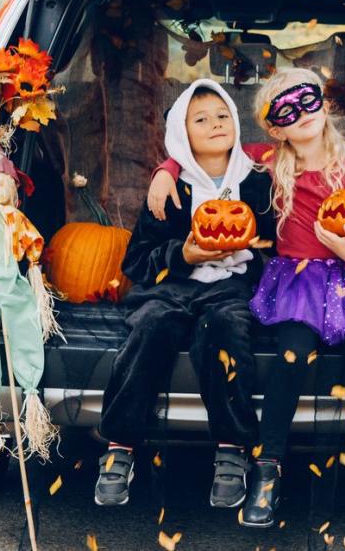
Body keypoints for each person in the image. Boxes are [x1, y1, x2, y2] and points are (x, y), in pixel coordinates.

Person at [146, 68, 345, 538]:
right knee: (292, 357)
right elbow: (213, 153)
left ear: (323, 106)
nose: (301, 115)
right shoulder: (267, 162)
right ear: (274, 127)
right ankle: (267, 470)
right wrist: (167, 170)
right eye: (285, 110)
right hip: (298, 284)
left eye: (307, 101)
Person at [94, 79, 275, 509]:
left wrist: (252, 257)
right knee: (149, 325)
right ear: (181, 133)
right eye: (201, 119)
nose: (215, 124)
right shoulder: (172, 188)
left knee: (226, 331)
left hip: (232, 289)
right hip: (173, 286)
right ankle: (120, 445)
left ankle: (232, 449)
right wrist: (184, 253)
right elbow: (137, 261)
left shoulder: (260, 183)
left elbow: (280, 249)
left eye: (222, 115)